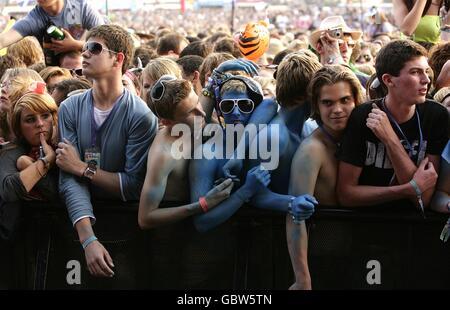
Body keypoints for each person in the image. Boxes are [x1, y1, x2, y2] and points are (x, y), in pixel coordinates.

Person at [57, 24, 157, 278]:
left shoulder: (140, 116)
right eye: (84, 47)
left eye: (94, 48)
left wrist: (82, 168)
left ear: (118, 59)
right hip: (77, 227)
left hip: (125, 232)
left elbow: (132, 185)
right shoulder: (69, 108)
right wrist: (88, 239)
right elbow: (67, 177)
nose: (85, 54)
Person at [190, 75, 316, 233]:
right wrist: (244, 192)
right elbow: (201, 223)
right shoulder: (207, 154)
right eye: (228, 105)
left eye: (245, 105)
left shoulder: (263, 134)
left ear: (255, 108)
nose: (236, 112)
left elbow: (270, 104)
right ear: (219, 110)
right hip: (218, 246)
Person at [337, 40, 448, 211]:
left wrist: (390, 139)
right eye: (415, 72)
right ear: (388, 80)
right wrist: (407, 189)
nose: (426, 80)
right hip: (366, 226)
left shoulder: (436, 116)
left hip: (416, 229)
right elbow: (346, 195)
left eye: (426, 72)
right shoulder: (363, 116)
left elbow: (423, 199)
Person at [287, 65, 364, 290]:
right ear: (316, 106)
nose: (337, 109)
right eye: (327, 103)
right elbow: (294, 217)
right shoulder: (311, 150)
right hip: (321, 262)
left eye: (345, 100)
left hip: (357, 258)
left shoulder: (359, 136)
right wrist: (302, 279)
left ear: (356, 100)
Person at [138, 76, 234, 229]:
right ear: (167, 123)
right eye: (192, 112)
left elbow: (208, 92)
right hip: (170, 236)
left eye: (197, 102)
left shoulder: (192, 122)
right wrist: (203, 204)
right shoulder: (164, 155)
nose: (202, 113)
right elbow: (145, 218)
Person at [0, 0, 106, 66]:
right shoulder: (35, 18)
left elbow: (107, 42)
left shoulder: (81, 7)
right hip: (57, 72)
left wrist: (74, 45)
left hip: (86, 66)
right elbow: (4, 39)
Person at [309, 15, 369, 88]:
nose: (346, 49)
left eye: (351, 44)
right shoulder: (311, 83)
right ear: (319, 48)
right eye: (339, 44)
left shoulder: (364, 82)